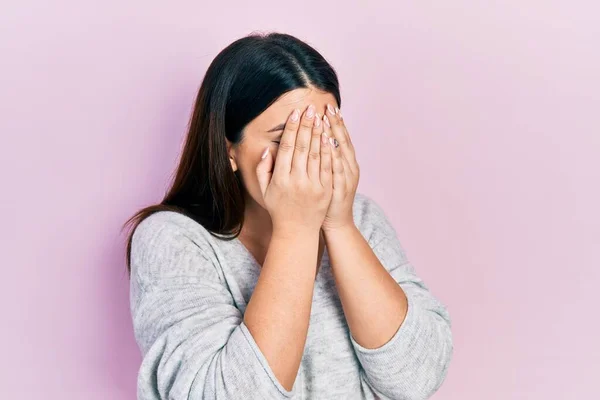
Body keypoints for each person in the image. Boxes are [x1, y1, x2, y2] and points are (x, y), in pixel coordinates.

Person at [123, 32, 453, 400]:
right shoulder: (173, 238)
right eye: (287, 140)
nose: (309, 157)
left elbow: (416, 379)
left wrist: (339, 226)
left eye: (324, 135)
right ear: (228, 148)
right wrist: (295, 231)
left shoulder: (361, 217)